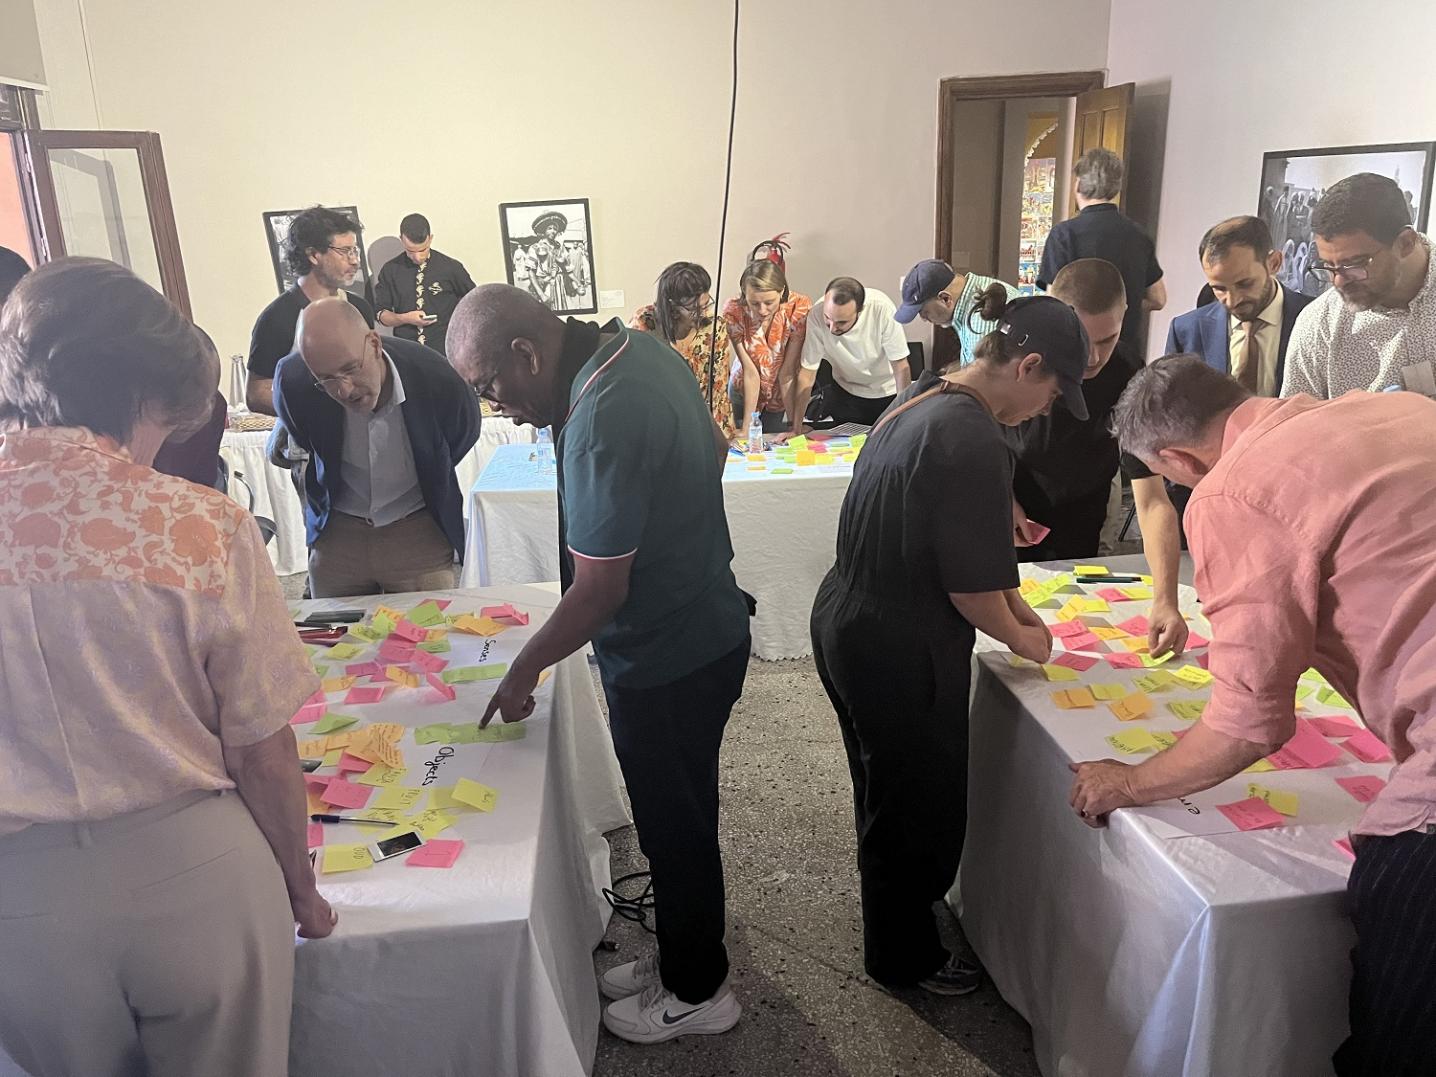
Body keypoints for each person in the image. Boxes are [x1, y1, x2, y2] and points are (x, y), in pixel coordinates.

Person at [0, 258, 334, 1077]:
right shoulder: (200, 523)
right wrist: (299, 883)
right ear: (143, 392)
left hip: (17, 901)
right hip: (194, 873)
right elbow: (262, 746)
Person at [1070, 354, 1436, 1077]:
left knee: (1402, 1024)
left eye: (1172, 478)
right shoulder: (1392, 407)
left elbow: (1250, 724)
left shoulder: (1233, 490)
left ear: (1176, 457)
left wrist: (1129, 782)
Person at [446, 285, 751, 1045]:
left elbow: (599, 591)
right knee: (684, 815)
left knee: (673, 827)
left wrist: (523, 669)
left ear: (527, 353)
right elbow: (713, 448)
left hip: (666, 658)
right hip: (707, 626)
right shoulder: (640, 346)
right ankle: (686, 949)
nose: (499, 408)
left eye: (493, 388)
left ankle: (697, 990)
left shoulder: (598, 414)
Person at [811, 290, 1092, 996]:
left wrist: (1003, 529)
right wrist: (1030, 638)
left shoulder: (931, 394)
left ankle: (895, 922)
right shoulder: (975, 436)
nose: (1045, 411)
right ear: (1027, 365)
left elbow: (935, 510)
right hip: (899, 639)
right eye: (1052, 394)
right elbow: (970, 591)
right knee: (918, 802)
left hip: (846, 611)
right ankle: (904, 956)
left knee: (884, 785)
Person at [273, 298, 480, 598]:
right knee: (335, 638)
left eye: (350, 369)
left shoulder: (437, 378)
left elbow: (462, 435)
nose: (344, 389)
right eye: (326, 379)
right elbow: (305, 439)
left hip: (417, 530)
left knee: (428, 638)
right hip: (338, 534)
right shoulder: (294, 381)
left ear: (374, 344)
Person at [1007, 259, 1141, 561]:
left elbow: (1144, 471)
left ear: (1124, 315)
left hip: (1085, 507)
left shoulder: (1128, 370)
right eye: (1080, 338)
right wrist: (1002, 496)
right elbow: (984, 436)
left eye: (1107, 340)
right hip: (1017, 496)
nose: (1092, 357)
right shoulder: (1023, 357)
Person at [1282, 172, 1435, 398]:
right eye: (1328, 266)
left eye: (1354, 264)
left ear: (1405, 243)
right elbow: (1296, 426)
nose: (1339, 281)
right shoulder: (1319, 325)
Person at [245, 206, 375, 416]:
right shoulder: (278, 317)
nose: (354, 260)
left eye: (355, 250)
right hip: (305, 442)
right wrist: (314, 413)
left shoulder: (360, 308)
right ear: (314, 255)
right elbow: (256, 394)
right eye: (344, 252)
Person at [1166, 216, 1315, 395]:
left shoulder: (1315, 321)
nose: (1232, 301)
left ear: (1274, 263)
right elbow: (1170, 413)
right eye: (1219, 289)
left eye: (1244, 284)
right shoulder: (1186, 331)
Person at [1037, 148, 1165, 350]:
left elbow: (1055, 303)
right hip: (1126, 354)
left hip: (1078, 352)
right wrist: (1120, 309)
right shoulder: (1139, 235)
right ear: (1116, 188)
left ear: (1078, 184)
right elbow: (1158, 299)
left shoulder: (1064, 235)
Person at [788, 276, 912, 434]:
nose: (832, 328)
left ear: (860, 311)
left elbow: (901, 366)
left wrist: (903, 414)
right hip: (845, 394)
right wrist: (796, 428)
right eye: (828, 318)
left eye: (841, 322)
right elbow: (807, 373)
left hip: (887, 394)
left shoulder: (881, 308)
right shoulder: (817, 314)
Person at [631, 261, 735, 437]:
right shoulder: (644, 324)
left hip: (710, 422)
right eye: (695, 309)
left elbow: (718, 390)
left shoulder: (714, 328)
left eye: (706, 305)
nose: (703, 313)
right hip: (662, 424)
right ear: (672, 307)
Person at [722, 245, 812, 436]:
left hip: (781, 394)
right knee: (745, 442)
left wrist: (794, 426)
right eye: (754, 303)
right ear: (744, 296)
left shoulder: (799, 307)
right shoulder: (734, 311)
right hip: (743, 390)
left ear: (782, 292)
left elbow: (787, 371)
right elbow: (750, 372)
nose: (762, 310)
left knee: (776, 441)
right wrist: (746, 428)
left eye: (769, 303)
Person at [373, 213, 476, 356]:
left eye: (423, 250)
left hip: (448, 352)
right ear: (401, 240)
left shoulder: (451, 267)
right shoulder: (390, 270)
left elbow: (474, 303)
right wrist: (405, 318)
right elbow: (381, 314)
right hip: (407, 352)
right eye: (411, 251)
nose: (417, 257)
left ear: (431, 239)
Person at [894, 258, 1020, 367]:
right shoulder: (976, 290)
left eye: (924, 312)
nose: (924, 319)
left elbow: (985, 384)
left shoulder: (980, 318)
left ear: (945, 299)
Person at [527, 211, 572, 311]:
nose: (553, 231)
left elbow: (567, 268)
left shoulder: (560, 248)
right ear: (544, 230)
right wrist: (541, 294)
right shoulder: (535, 248)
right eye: (549, 228)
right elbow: (531, 272)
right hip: (545, 287)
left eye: (555, 229)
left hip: (559, 286)